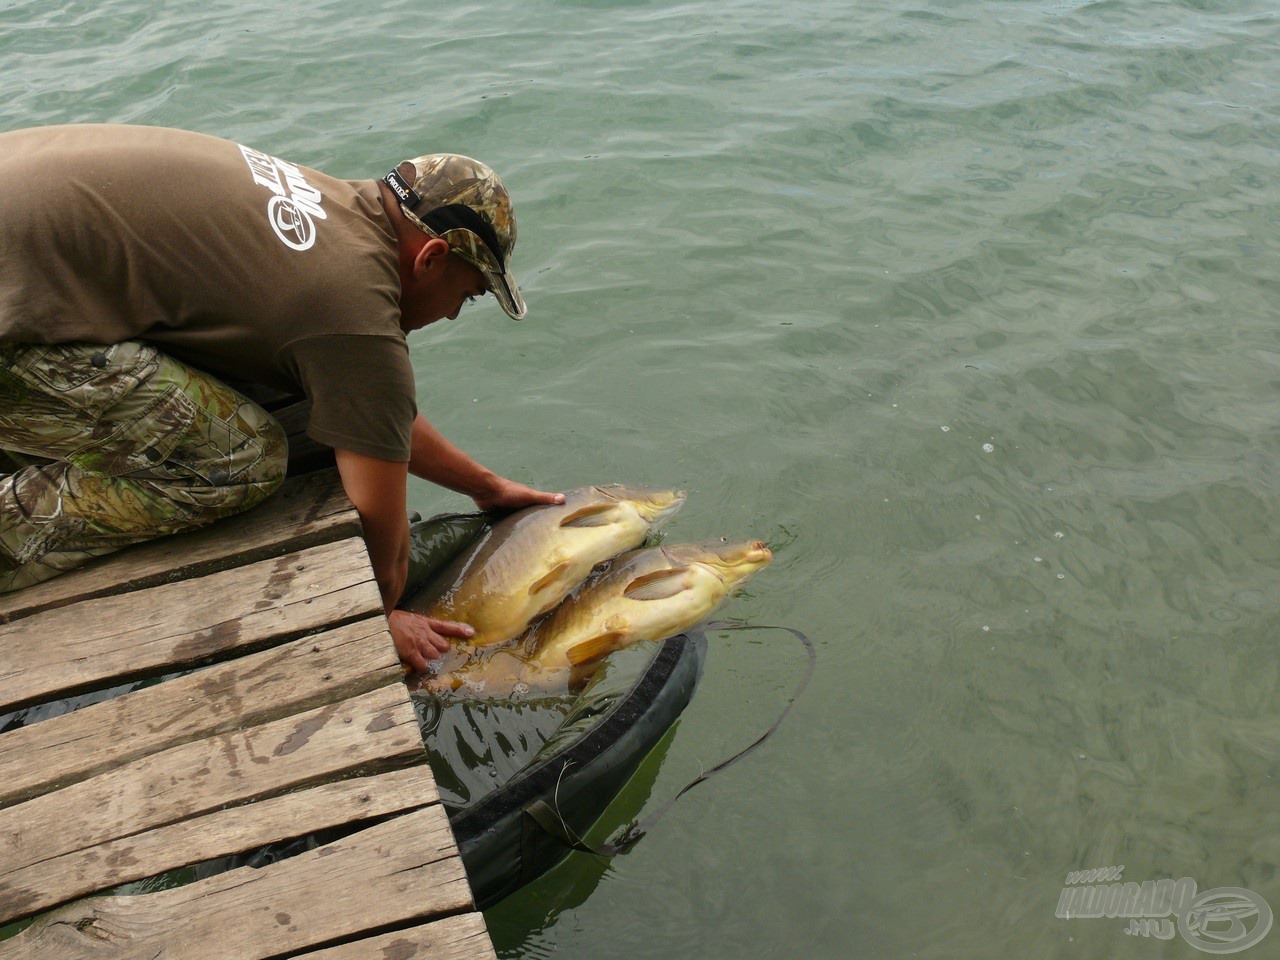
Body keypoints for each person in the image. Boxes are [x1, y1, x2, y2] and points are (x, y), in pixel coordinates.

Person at [0, 123, 564, 670]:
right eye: (464, 297)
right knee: (239, 457)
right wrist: (378, 613)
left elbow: (375, 414)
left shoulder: (334, 206)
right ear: (431, 257)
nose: (448, 314)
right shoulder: (354, 310)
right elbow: (381, 533)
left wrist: (484, 487)